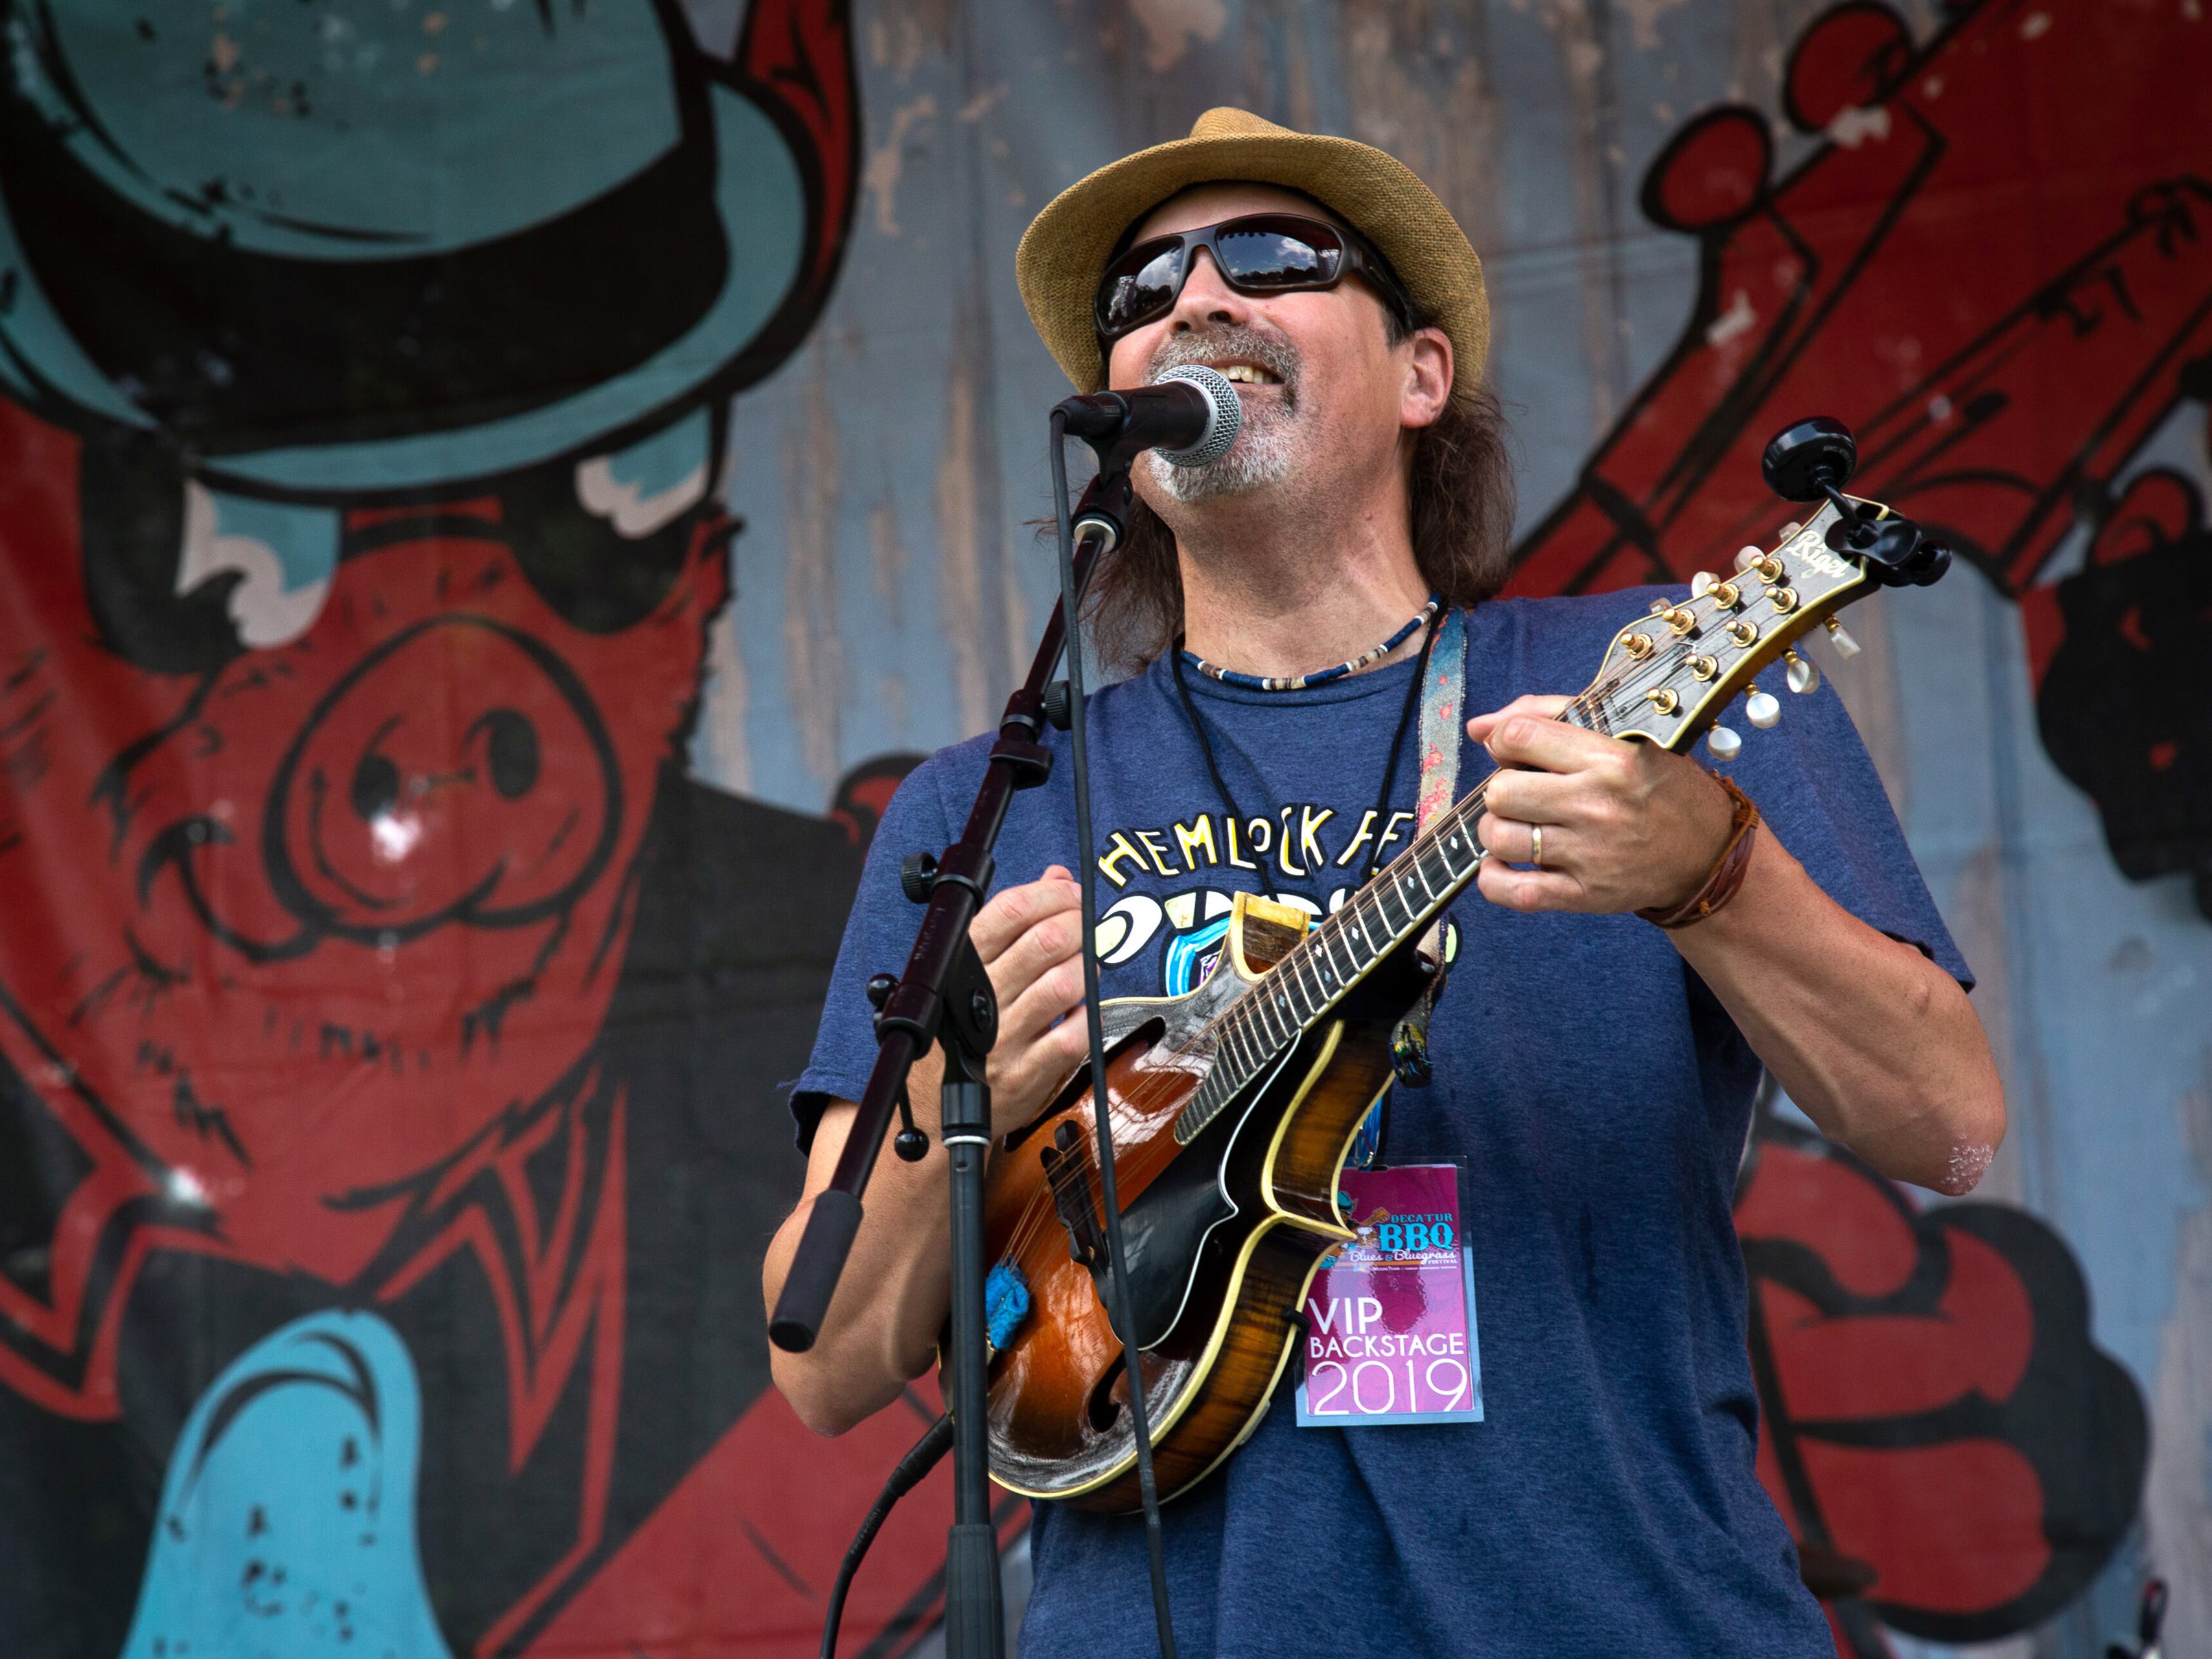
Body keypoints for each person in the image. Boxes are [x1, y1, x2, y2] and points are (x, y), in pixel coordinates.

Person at [763, 108, 2003, 1658]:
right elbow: (820, 1365)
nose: (1195, 300)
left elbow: (1949, 1127)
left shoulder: (1628, 696)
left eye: (1273, 258)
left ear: (1425, 375)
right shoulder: (992, 798)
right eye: (1142, 292)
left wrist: (1713, 872)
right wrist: (957, 1090)